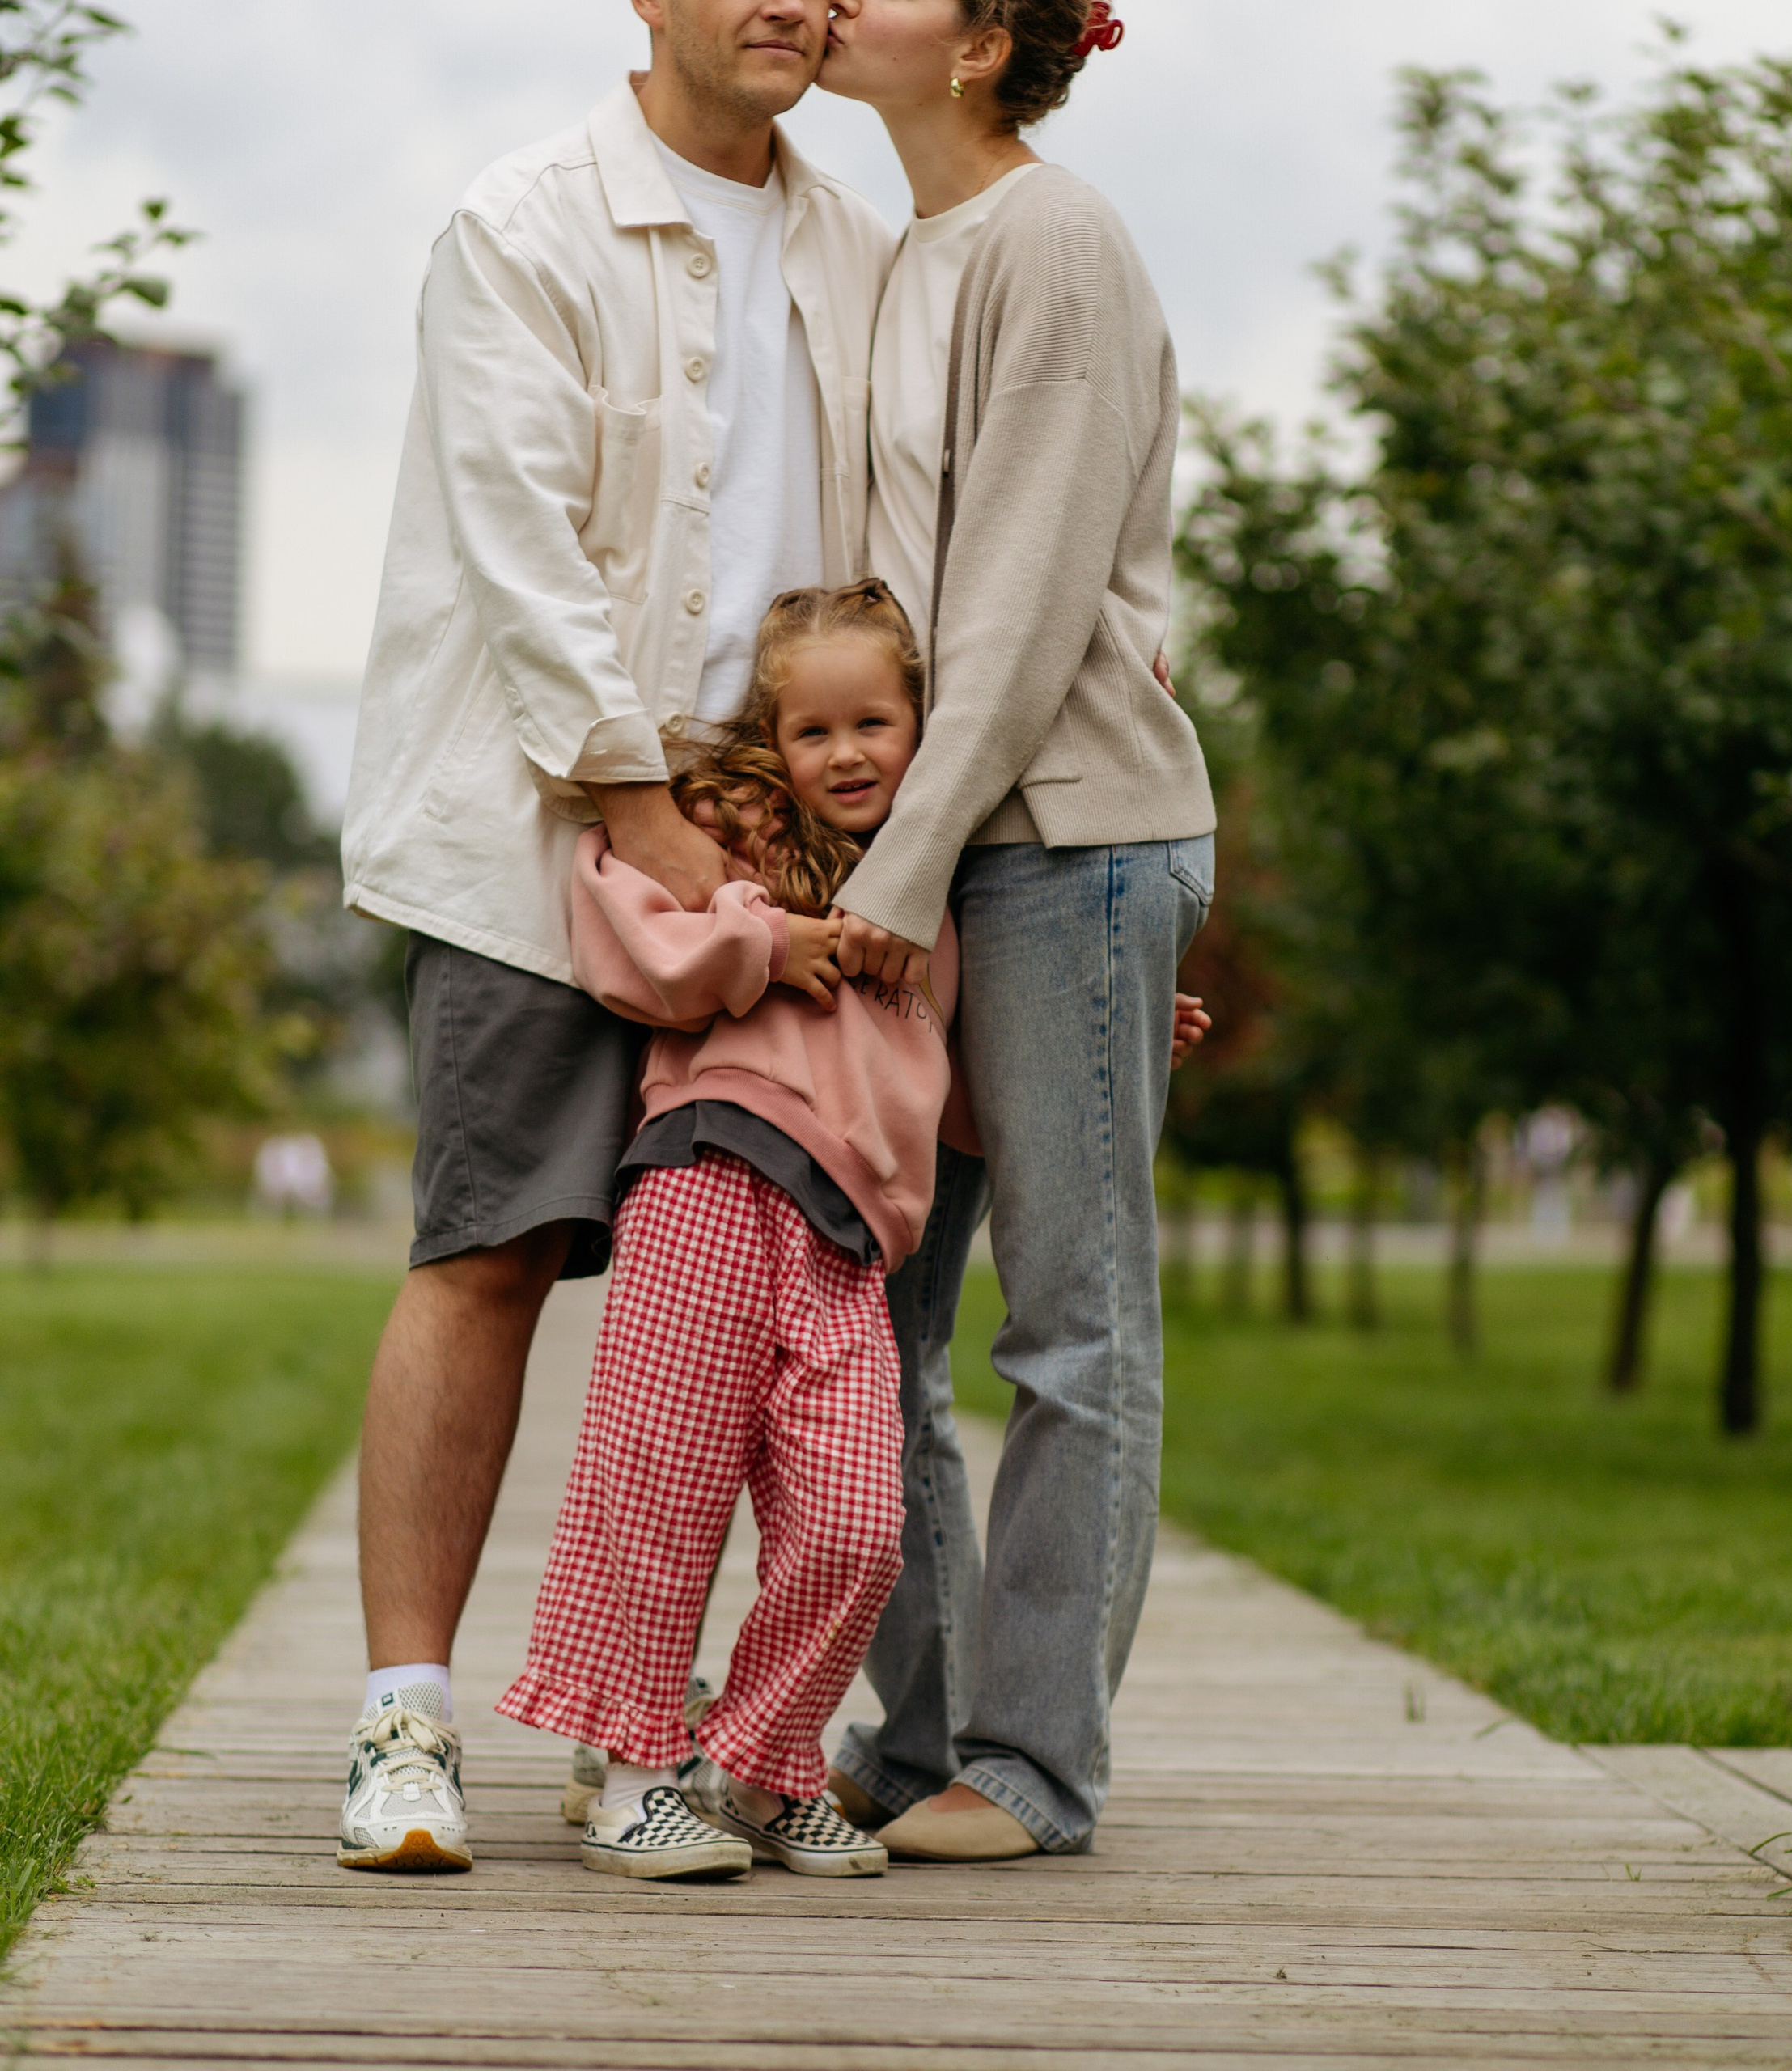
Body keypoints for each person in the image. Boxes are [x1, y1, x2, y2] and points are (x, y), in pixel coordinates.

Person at [333, 0, 892, 1874]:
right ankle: (403, 1722)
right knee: (488, 1248)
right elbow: (522, 552)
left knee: (741, 1308)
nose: (789, 2)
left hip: (782, 885)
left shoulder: (857, 245)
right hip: (536, 848)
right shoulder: (524, 223)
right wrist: (649, 823)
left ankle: (640, 1724)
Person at [815, 0, 1218, 1861]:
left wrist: (900, 865)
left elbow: (1038, 589)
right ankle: (921, 1741)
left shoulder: (1052, 241)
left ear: (981, 42)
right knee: (860, 1311)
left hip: (1052, 836)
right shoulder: (913, 248)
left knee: (1066, 1321)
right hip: (945, 837)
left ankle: (1034, 1764)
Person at [499, 581, 964, 1883]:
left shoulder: (938, 895)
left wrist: (1136, 1028)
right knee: (657, 1492)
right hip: (711, 1178)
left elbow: (963, 1082)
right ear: (774, 738)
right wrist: (766, 943)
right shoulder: (731, 842)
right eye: (813, 731)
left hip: (848, 1246)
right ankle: (630, 1779)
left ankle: (754, 1768)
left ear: (923, 725)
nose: (848, 753)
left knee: (861, 1524)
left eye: (874, 721)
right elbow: (621, 935)